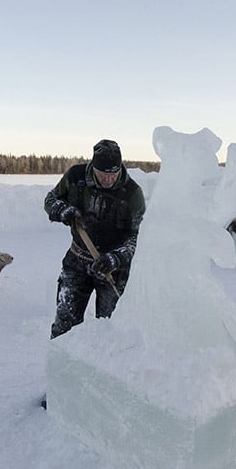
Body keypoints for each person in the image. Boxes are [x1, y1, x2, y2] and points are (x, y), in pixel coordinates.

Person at [44, 139, 145, 339]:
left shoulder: (132, 194)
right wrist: (62, 210)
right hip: (77, 260)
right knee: (65, 323)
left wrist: (116, 258)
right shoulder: (75, 177)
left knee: (111, 331)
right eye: (103, 174)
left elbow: (138, 238)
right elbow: (50, 200)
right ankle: (63, 365)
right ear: (93, 167)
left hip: (112, 270)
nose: (108, 179)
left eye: (113, 174)